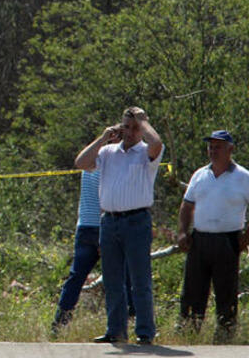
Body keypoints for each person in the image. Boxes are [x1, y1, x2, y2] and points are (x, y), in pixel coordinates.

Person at [75, 106, 163, 345]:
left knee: (139, 279)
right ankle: (115, 330)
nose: (130, 132)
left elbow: (156, 143)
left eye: (135, 128)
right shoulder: (107, 152)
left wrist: (143, 122)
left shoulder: (145, 152)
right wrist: (104, 137)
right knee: (112, 279)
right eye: (127, 127)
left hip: (136, 221)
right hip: (109, 221)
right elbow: (81, 162)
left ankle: (145, 332)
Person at [176, 130, 249, 339]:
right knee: (192, 290)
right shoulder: (200, 175)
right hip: (200, 240)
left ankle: (225, 336)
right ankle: (188, 333)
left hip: (228, 240)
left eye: (218, 147)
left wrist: (246, 238)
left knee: (226, 292)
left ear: (230, 149)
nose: (213, 151)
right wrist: (182, 232)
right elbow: (186, 205)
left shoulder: (243, 177)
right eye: (210, 147)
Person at [51, 170, 134, 333]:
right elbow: (107, 198)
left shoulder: (87, 165)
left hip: (84, 226)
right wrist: (104, 232)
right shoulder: (108, 163)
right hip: (103, 226)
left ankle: (59, 322)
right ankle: (131, 319)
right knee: (123, 275)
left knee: (76, 277)